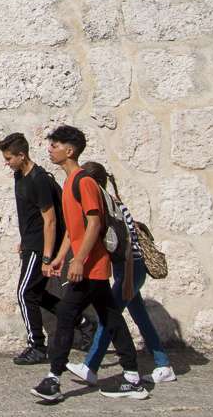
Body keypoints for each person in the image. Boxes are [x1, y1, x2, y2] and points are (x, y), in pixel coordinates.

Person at [31, 125, 146, 402]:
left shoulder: (84, 182)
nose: (50, 149)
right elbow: (73, 229)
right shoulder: (70, 183)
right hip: (88, 266)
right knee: (112, 319)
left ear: (70, 151)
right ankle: (132, 378)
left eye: (55, 145)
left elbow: (94, 223)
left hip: (91, 267)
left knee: (67, 317)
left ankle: (53, 380)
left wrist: (80, 260)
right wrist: (60, 257)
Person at [66, 161, 177, 387]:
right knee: (141, 318)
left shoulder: (111, 206)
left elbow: (125, 243)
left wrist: (124, 279)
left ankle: (90, 366)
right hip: (127, 270)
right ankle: (163, 364)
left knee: (109, 318)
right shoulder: (111, 203)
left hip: (129, 268)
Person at [0, 132, 65, 364]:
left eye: (9, 158)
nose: (6, 163)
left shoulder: (38, 179)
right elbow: (29, 215)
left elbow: (50, 220)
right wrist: (23, 240)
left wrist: (47, 257)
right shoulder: (20, 176)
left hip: (40, 247)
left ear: (21, 155)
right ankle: (81, 322)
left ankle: (37, 345)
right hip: (30, 244)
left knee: (25, 293)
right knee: (36, 294)